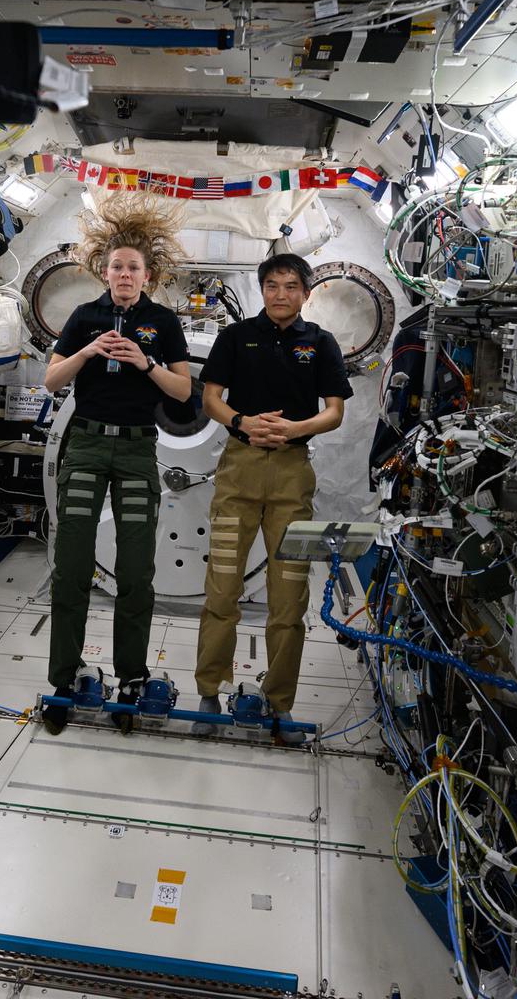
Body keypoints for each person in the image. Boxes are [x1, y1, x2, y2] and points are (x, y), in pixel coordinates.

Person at [40, 201, 190, 734]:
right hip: (84, 445)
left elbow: (183, 390)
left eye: (134, 268)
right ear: (104, 272)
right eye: (117, 267)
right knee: (73, 567)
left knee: (135, 571)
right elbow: (53, 381)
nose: (124, 275)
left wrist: (144, 362)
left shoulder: (162, 322)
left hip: (134, 451)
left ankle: (131, 677)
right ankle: (64, 679)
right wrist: (87, 352)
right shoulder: (84, 318)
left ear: (148, 276)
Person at [193, 253, 350, 744]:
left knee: (289, 600)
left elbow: (336, 411)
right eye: (272, 286)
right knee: (221, 590)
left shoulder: (320, 343)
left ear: (306, 292)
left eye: (290, 286)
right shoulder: (235, 338)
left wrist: (295, 428)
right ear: (262, 290)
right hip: (238, 471)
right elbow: (211, 398)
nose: (280, 294)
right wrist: (242, 422)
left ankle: (280, 703)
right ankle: (208, 690)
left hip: (291, 475)